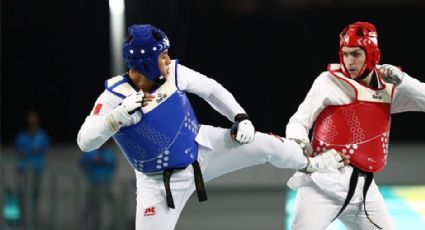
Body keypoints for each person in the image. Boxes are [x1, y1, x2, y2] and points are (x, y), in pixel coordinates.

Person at [77, 24, 348, 230]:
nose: (168, 59)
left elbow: (211, 90)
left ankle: (309, 164)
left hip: (202, 147)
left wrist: (240, 116)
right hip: (158, 184)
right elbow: (85, 141)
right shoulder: (114, 97)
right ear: (145, 62)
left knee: (266, 144)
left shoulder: (174, 72)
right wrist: (117, 117)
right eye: (162, 55)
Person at [285, 21, 425, 230]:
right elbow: (298, 121)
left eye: (356, 54)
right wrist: (300, 145)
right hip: (322, 185)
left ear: (372, 54)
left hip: (364, 190)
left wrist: (405, 81)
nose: (349, 61)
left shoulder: (388, 88)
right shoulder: (327, 81)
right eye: (346, 54)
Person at [15, 110, 51, 225]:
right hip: (24, 171)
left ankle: (33, 222)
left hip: (37, 171)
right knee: (23, 197)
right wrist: (32, 151)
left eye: (34, 121)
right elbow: (20, 151)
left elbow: (44, 149)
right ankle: (22, 221)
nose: (32, 124)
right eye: (30, 121)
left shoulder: (43, 136)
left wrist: (31, 151)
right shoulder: (22, 136)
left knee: (35, 196)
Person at [79, 142, 116, 230]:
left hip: (104, 184)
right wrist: (92, 162)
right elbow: (82, 163)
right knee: (90, 207)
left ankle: (99, 227)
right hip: (92, 183)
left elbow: (113, 166)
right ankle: (85, 226)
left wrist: (103, 162)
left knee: (102, 209)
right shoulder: (90, 151)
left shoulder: (109, 153)